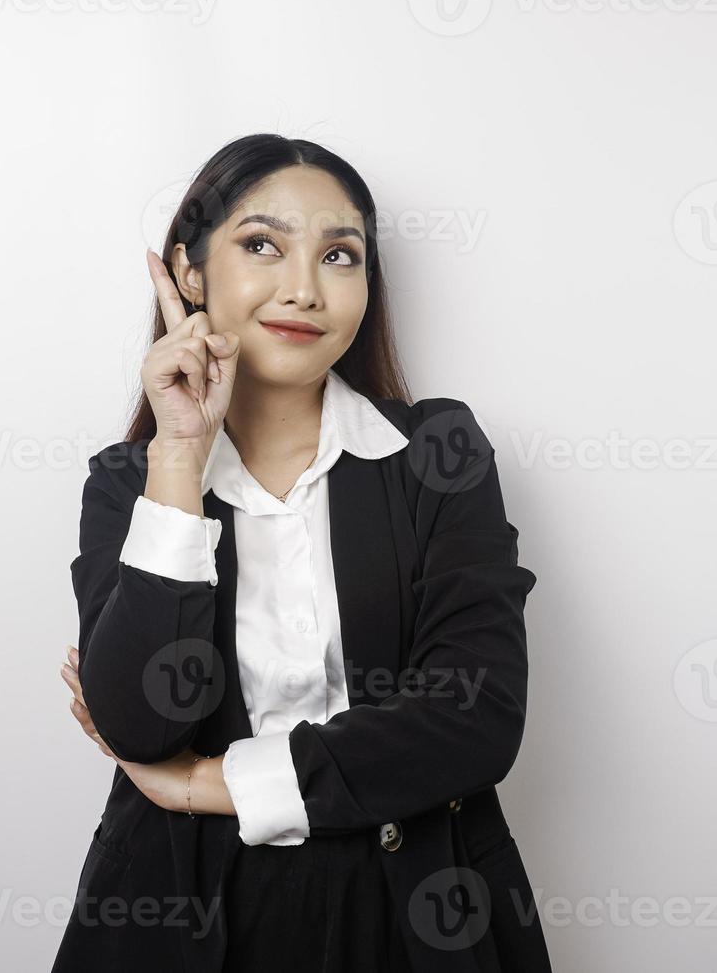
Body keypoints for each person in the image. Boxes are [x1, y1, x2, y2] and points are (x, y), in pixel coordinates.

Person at [53, 133, 551, 973]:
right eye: (261, 245)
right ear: (188, 271)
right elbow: (140, 720)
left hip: (416, 911)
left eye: (340, 255)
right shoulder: (128, 484)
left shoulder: (439, 451)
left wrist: (202, 784)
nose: (305, 289)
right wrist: (178, 453)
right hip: (177, 917)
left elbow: (475, 719)